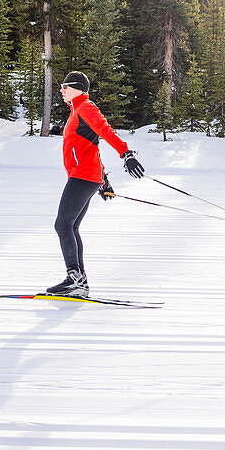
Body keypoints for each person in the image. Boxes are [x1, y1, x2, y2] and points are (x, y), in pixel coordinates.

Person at [46, 71, 145, 298]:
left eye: (65, 86)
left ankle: (75, 280)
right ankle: (79, 282)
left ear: (78, 88)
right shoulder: (76, 110)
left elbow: (105, 130)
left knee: (63, 226)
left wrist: (125, 153)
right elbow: (93, 146)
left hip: (82, 176)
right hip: (86, 176)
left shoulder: (85, 108)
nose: (61, 90)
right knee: (70, 227)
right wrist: (103, 179)